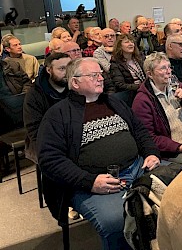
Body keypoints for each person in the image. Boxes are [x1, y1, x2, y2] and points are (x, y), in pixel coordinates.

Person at [37, 58, 160, 249]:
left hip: (138, 168)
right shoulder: (58, 114)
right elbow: (50, 160)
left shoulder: (114, 103)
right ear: (75, 82)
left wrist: (151, 153)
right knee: (117, 221)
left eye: (101, 74)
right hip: (92, 184)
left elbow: (140, 131)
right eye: (93, 75)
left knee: (175, 194)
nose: (101, 78)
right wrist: (90, 181)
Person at [132, 52, 182, 163]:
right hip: (171, 148)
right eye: (162, 68)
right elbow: (148, 136)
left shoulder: (177, 86)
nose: (168, 72)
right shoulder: (142, 100)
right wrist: (178, 147)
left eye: (169, 67)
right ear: (150, 74)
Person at [23, 52, 70, 164]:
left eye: (70, 67)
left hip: (72, 135)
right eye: (62, 69)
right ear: (49, 70)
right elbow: (34, 129)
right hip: (44, 140)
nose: (67, 73)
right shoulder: (34, 94)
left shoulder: (74, 87)